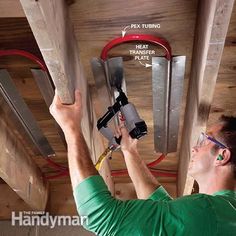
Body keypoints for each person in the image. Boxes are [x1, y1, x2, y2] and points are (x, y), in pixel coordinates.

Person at [49, 90, 236, 236]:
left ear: (222, 156)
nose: (195, 148)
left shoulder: (207, 211)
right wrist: (129, 151)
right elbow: (163, 211)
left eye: (205, 140)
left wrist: (71, 128)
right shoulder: (224, 214)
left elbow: (98, 215)